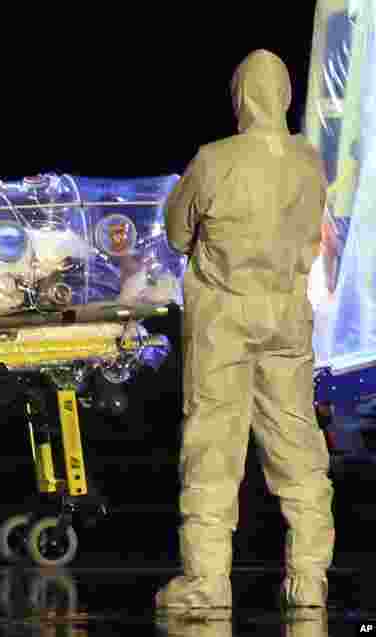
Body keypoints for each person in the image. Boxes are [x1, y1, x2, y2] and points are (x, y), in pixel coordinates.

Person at [157, 50, 335, 609]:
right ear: (283, 95)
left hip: (224, 320)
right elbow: (313, 239)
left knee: (212, 446)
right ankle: (309, 578)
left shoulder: (214, 160)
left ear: (240, 97)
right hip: (286, 314)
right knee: (298, 444)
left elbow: (177, 232)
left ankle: (207, 584)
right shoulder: (309, 162)